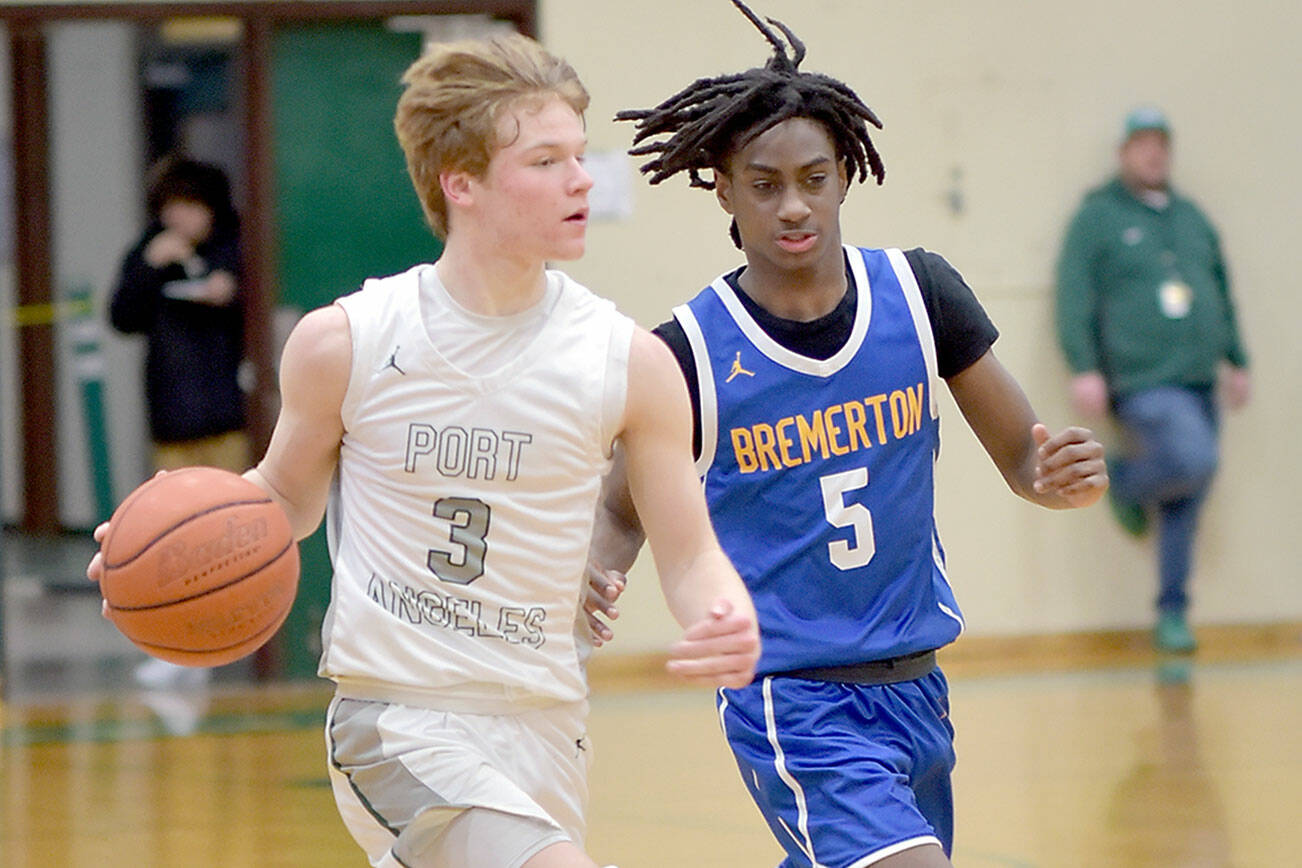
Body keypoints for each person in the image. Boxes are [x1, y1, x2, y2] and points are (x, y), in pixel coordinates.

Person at [90, 33, 758, 868]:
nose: (582, 180)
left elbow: (692, 555)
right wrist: (154, 533)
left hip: (546, 718)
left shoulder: (632, 363)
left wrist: (722, 614)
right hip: (396, 718)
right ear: (462, 182)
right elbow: (282, 502)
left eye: (578, 157)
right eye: (547, 161)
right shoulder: (349, 342)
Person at [584, 3, 1108, 866]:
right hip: (791, 699)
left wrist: (1059, 474)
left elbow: (1023, 456)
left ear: (845, 176)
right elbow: (622, 504)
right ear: (723, 186)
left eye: (814, 178)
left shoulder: (921, 294)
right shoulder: (686, 353)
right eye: (765, 183)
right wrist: (594, 572)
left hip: (916, 685)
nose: (794, 204)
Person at [1055, 106, 1251, 654]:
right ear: (1124, 154)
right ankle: (1122, 480)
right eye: (1142, 144)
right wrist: (1084, 365)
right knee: (1194, 460)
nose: (1154, 153)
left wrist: (1237, 358)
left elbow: (1220, 287)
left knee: (1187, 499)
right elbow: (1075, 293)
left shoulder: (1191, 217)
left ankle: (1172, 613)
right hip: (1144, 381)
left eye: (1161, 143)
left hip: (1199, 378)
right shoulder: (1098, 217)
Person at [109, 155, 248, 691]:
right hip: (170, 418)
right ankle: (183, 642)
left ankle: (234, 632)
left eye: (191, 207)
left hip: (229, 417)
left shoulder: (234, 248)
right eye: (172, 207)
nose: (181, 219)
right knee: (174, 538)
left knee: (229, 531)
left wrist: (227, 293)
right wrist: (149, 267)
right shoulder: (150, 250)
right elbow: (121, 317)